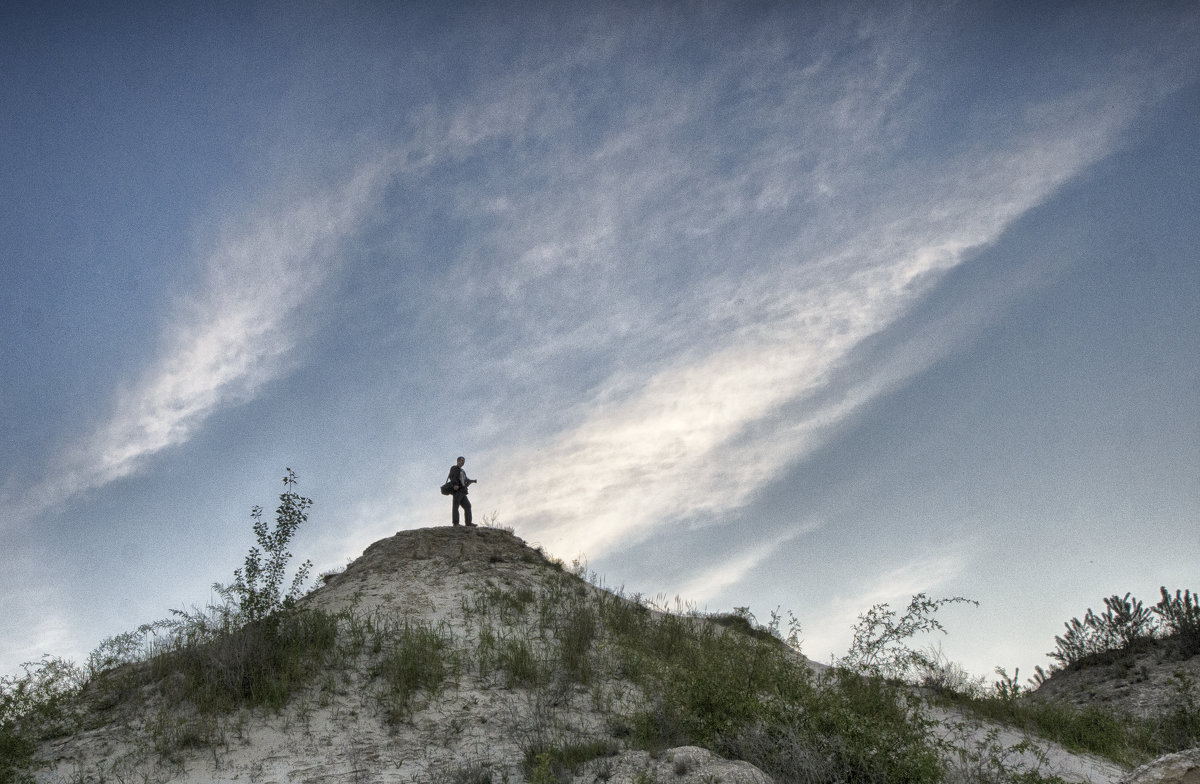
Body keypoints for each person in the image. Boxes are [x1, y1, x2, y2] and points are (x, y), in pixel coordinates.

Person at [447, 456, 477, 527]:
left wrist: (471, 481)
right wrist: (455, 484)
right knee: (455, 506)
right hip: (457, 491)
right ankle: (456, 523)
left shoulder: (463, 471)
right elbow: (452, 476)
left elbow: (465, 480)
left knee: (468, 506)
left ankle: (468, 523)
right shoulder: (454, 468)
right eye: (461, 460)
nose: (463, 462)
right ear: (457, 461)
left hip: (463, 491)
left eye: (464, 461)